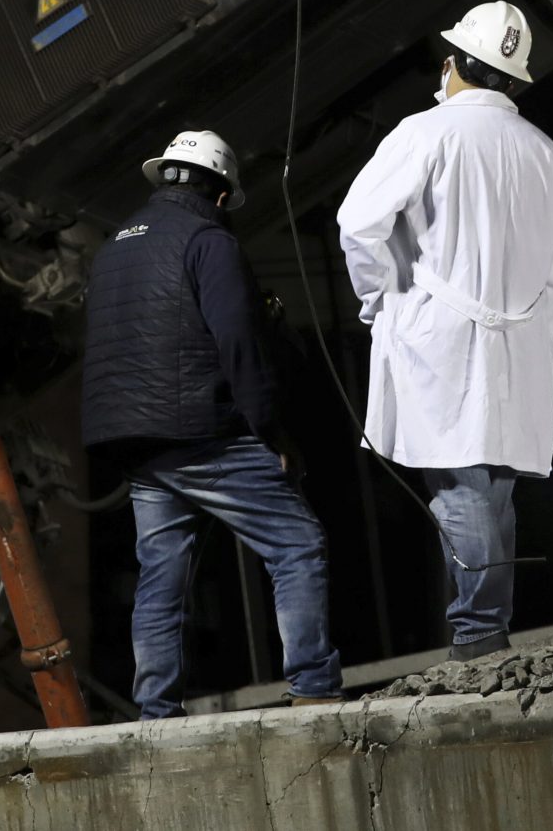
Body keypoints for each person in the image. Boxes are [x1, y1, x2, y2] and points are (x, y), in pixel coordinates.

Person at [81, 128, 344, 716]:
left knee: (162, 572)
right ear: (222, 194)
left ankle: (155, 711)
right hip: (199, 429)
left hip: (132, 439)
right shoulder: (209, 241)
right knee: (297, 544)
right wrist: (271, 431)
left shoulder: (114, 245)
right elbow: (239, 342)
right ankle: (315, 688)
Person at [337, 1, 553, 661]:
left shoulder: (426, 132)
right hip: (517, 344)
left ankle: (478, 634)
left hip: (439, 338)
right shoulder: (547, 153)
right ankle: (484, 627)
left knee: (462, 485)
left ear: (453, 63)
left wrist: (377, 290)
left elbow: (358, 224)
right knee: (492, 488)